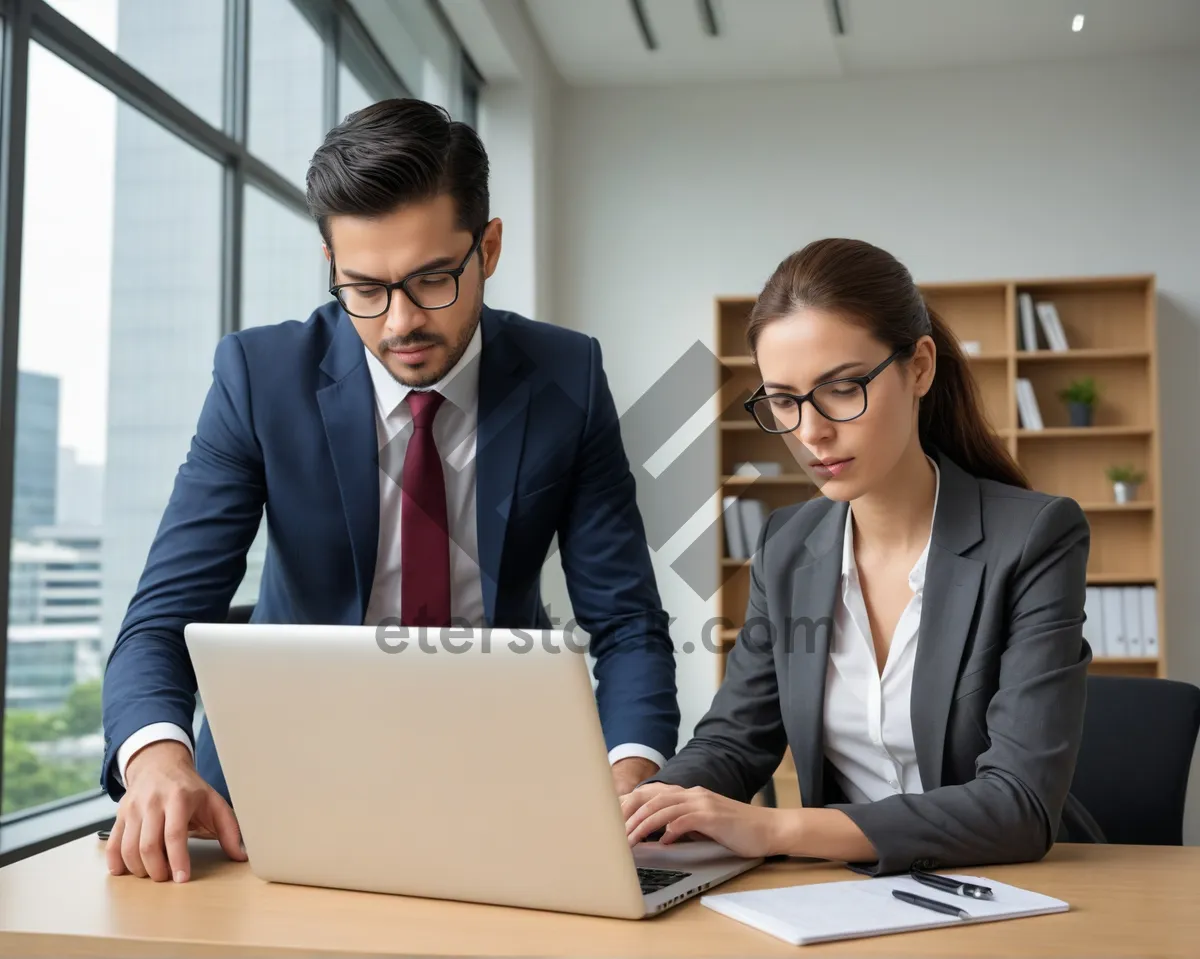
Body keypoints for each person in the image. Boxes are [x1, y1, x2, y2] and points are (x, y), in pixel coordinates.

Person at [101, 98, 679, 882]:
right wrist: (157, 758)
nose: (399, 321)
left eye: (432, 279)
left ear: (491, 247)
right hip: (273, 795)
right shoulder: (259, 378)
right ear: (331, 269)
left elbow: (627, 620)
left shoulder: (566, 375)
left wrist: (629, 773)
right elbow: (162, 615)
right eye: (364, 288)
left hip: (504, 783)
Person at [622, 237, 1103, 875]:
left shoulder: (1035, 538)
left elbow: (1017, 806)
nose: (812, 431)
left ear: (920, 367)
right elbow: (736, 739)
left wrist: (776, 827)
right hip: (846, 903)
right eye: (784, 400)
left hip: (1003, 890)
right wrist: (655, 807)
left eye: (843, 389)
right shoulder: (786, 546)